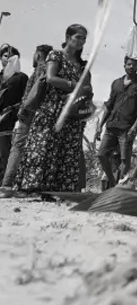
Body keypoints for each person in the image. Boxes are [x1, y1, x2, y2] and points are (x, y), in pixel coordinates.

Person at [13, 25, 92, 193]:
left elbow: (87, 88)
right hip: (51, 109)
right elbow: (50, 78)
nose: (81, 41)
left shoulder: (80, 64)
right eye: (78, 37)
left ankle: (57, 188)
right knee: (44, 146)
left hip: (71, 112)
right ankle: (34, 186)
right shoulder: (56, 55)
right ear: (68, 37)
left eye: (84, 38)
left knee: (66, 149)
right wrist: (75, 86)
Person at [1, 45, 53, 190]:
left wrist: (24, 108)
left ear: (38, 55)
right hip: (37, 113)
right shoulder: (48, 70)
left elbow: (34, 93)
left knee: (18, 147)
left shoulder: (40, 71)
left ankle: (8, 183)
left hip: (30, 112)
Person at [94, 55, 137, 188]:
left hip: (127, 127)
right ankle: (112, 181)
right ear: (124, 65)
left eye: (135, 65)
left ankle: (119, 187)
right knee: (101, 154)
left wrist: (135, 126)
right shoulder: (116, 83)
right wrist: (100, 126)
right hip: (112, 124)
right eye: (129, 64)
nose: (132, 67)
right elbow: (109, 105)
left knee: (125, 159)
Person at [0, 45, 29, 179]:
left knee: (8, 149)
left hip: (13, 118)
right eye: (5, 56)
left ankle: (8, 180)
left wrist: (14, 109)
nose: (7, 59)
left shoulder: (21, 77)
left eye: (11, 56)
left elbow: (26, 97)